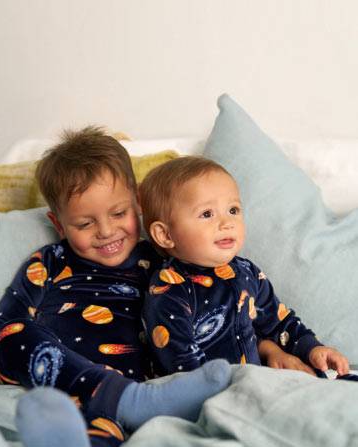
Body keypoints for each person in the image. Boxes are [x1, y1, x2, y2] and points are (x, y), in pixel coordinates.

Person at [0, 127, 232, 447]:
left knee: (104, 425)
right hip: (63, 384)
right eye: (85, 223)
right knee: (10, 333)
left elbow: (210, 305)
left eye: (118, 213)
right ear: (59, 225)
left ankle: (116, 411)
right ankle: (122, 405)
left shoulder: (162, 260)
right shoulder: (50, 262)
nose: (106, 231)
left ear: (137, 202)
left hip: (137, 383)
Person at [138, 156, 351, 377]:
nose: (227, 223)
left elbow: (279, 323)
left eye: (233, 210)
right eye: (207, 214)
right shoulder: (169, 290)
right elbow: (181, 362)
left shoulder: (246, 272)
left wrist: (312, 348)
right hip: (209, 388)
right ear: (165, 235)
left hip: (253, 382)